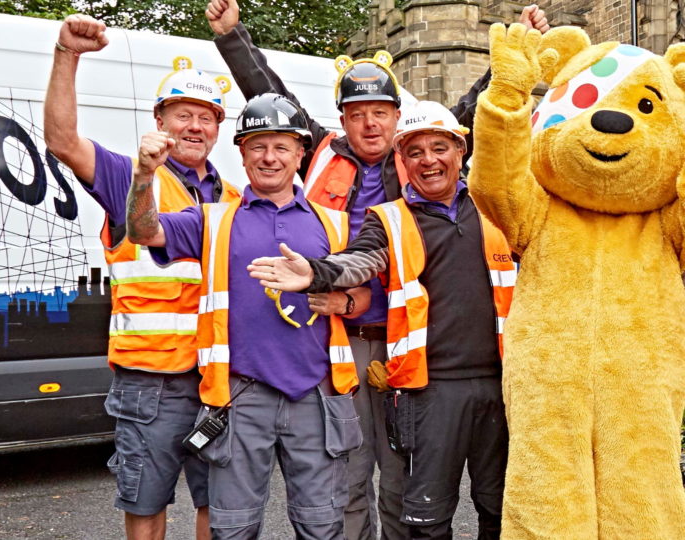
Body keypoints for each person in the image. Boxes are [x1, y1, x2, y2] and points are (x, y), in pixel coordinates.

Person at [204, 2, 546, 538]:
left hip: (408, 340)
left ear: (397, 118)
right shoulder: (317, 152)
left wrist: (516, 50)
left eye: (381, 111)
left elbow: (472, 111)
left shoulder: (420, 158)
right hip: (343, 338)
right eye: (357, 112)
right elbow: (272, 101)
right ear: (341, 120)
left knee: (403, 475)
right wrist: (232, 37)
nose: (369, 122)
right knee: (347, 471)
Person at [247, 102, 515, 540]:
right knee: (427, 518)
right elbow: (360, 260)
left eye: (439, 148)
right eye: (415, 152)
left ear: (460, 151)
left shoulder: (497, 208)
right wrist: (317, 272)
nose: (428, 160)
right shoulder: (389, 219)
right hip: (431, 391)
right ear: (402, 161)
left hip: (501, 384)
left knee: (501, 506)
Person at [126, 93, 362, 539]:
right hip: (241, 397)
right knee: (232, 528)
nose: (269, 157)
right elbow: (143, 231)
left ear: (300, 154)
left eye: (281, 146)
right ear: (242, 152)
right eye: (258, 146)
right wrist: (144, 175)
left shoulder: (336, 223)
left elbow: (362, 297)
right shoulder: (212, 219)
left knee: (323, 525)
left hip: (315, 394)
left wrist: (344, 304)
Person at [42, 14, 241, 540]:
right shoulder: (128, 176)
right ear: (159, 120)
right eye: (183, 114)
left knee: (218, 507)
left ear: (219, 128)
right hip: (151, 384)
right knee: (147, 504)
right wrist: (68, 55)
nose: (195, 126)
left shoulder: (236, 200)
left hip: (218, 381)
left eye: (207, 116)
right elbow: (62, 140)